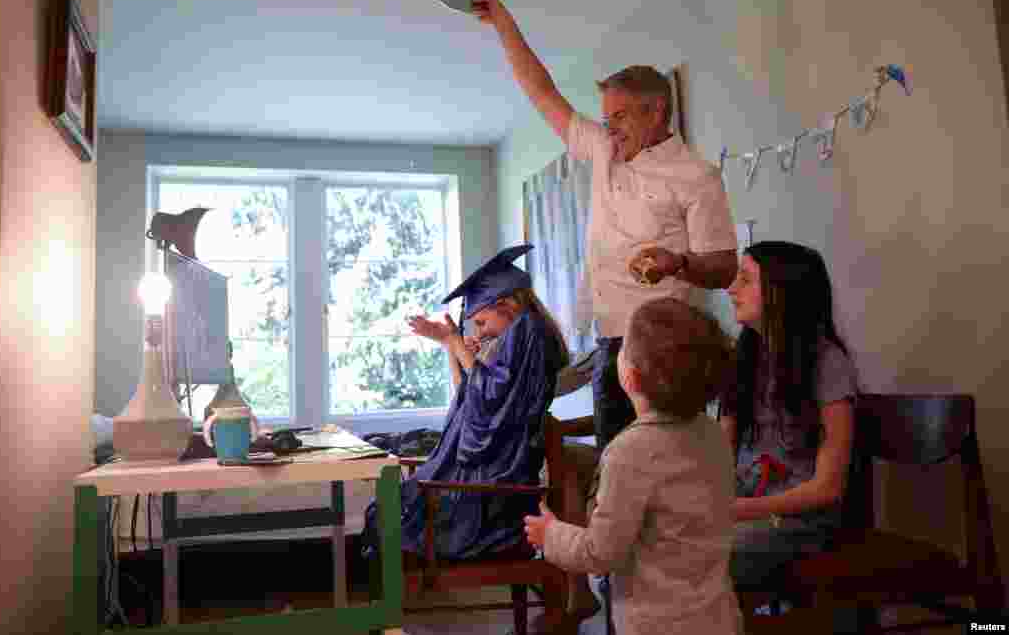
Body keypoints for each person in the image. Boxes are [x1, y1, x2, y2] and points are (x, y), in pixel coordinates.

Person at [471, 0, 738, 451]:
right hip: (608, 344)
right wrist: (502, 23)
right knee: (614, 463)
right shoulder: (602, 150)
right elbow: (542, 92)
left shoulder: (696, 176)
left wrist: (676, 262)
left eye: (620, 116)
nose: (610, 127)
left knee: (659, 468)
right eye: (606, 117)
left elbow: (724, 267)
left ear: (655, 111)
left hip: (665, 347)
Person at [524, 297, 741, 635]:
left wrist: (551, 534)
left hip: (656, 624)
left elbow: (600, 552)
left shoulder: (628, 451)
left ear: (630, 377)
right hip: (717, 617)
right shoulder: (712, 434)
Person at [361, 244, 569, 560]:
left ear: (505, 305)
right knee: (388, 511)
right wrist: (452, 347)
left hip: (495, 489)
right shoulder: (516, 336)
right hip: (489, 478)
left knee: (394, 518)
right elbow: (471, 399)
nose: (481, 333)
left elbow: (489, 402)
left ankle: (387, 603)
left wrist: (459, 345)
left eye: (482, 323)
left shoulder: (528, 331)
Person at [718, 241, 857, 595]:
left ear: (781, 289)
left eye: (745, 279)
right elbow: (719, 455)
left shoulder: (827, 364)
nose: (732, 289)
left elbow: (828, 488)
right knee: (664, 537)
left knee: (699, 552)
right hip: (747, 511)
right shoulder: (743, 360)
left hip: (804, 523)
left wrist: (738, 510)